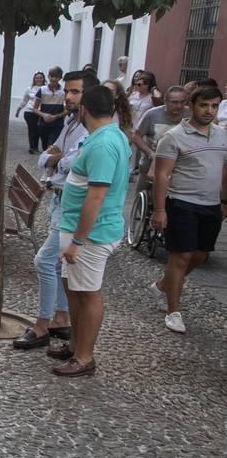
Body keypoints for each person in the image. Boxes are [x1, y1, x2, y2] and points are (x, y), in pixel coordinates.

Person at [48, 85, 131, 377]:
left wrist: (79, 241)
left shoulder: (104, 144)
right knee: (74, 289)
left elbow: (96, 196)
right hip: (77, 231)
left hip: (92, 235)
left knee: (88, 294)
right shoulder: (106, 137)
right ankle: (76, 344)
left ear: (84, 110)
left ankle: (84, 357)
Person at [12, 71, 87, 351]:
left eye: (75, 92)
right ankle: (60, 317)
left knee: (44, 261)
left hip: (71, 201)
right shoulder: (70, 121)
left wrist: (57, 158)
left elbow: (71, 163)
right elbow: (47, 158)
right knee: (56, 263)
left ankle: (42, 325)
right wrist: (54, 158)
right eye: (67, 91)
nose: (68, 96)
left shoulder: (89, 130)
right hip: (57, 197)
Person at [150, 85, 226, 334]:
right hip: (182, 202)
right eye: (204, 105)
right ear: (191, 106)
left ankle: (163, 285)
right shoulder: (173, 136)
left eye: (214, 105)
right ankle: (173, 310)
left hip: (211, 204)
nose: (209, 110)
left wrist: (224, 202)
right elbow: (161, 175)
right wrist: (160, 209)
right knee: (180, 256)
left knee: (200, 255)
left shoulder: (222, 136)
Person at [132, 85, 189, 168]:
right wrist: (150, 152)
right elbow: (136, 137)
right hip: (151, 165)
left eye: (182, 102)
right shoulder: (152, 114)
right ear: (165, 101)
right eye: (174, 102)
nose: (179, 106)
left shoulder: (190, 115)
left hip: (180, 167)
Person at [35, 67, 67, 150]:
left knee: (51, 146)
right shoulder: (42, 90)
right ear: (48, 77)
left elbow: (67, 110)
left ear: (60, 78)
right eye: (52, 76)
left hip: (57, 124)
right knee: (45, 147)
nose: (53, 79)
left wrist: (56, 116)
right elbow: (35, 108)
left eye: (56, 77)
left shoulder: (63, 91)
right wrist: (44, 115)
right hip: (43, 124)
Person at [17, 72, 47, 154]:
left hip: (41, 112)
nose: (39, 79)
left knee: (41, 130)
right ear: (34, 79)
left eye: (40, 78)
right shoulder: (29, 89)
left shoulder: (46, 88)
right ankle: (33, 147)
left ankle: (44, 148)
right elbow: (24, 100)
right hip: (30, 112)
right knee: (32, 130)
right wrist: (18, 110)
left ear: (43, 79)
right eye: (37, 78)